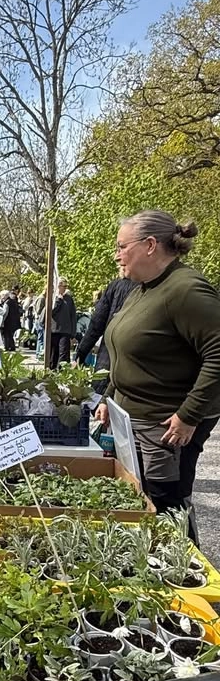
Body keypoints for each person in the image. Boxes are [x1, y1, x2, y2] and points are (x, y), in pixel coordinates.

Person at [96, 210, 220, 542]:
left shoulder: (185, 289)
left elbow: (218, 352)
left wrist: (188, 415)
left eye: (122, 246)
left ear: (150, 245)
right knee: (145, 501)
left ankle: (187, 582)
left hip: (166, 427)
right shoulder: (143, 288)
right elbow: (129, 352)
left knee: (168, 507)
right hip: (133, 418)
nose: (117, 255)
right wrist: (110, 395)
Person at [75, 272, 136, 393]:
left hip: (107, 357)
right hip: (132, 363)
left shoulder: (114, 286)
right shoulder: (151, 289)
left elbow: (95, 325)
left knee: (99, 398)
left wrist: (80, 355)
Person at [49, 278, 77, 368]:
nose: (64, 288)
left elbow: (73, 316)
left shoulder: (69, 299)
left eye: (66, 286)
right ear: (57, 286)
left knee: (63, 353)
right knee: (53, 353)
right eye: (62, 286)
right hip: (54, 330)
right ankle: (51, 370)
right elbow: (51, 312)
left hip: (65, 331)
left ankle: (61, 372)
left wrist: (73, 333)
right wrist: (58, 301)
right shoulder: (53, 298)